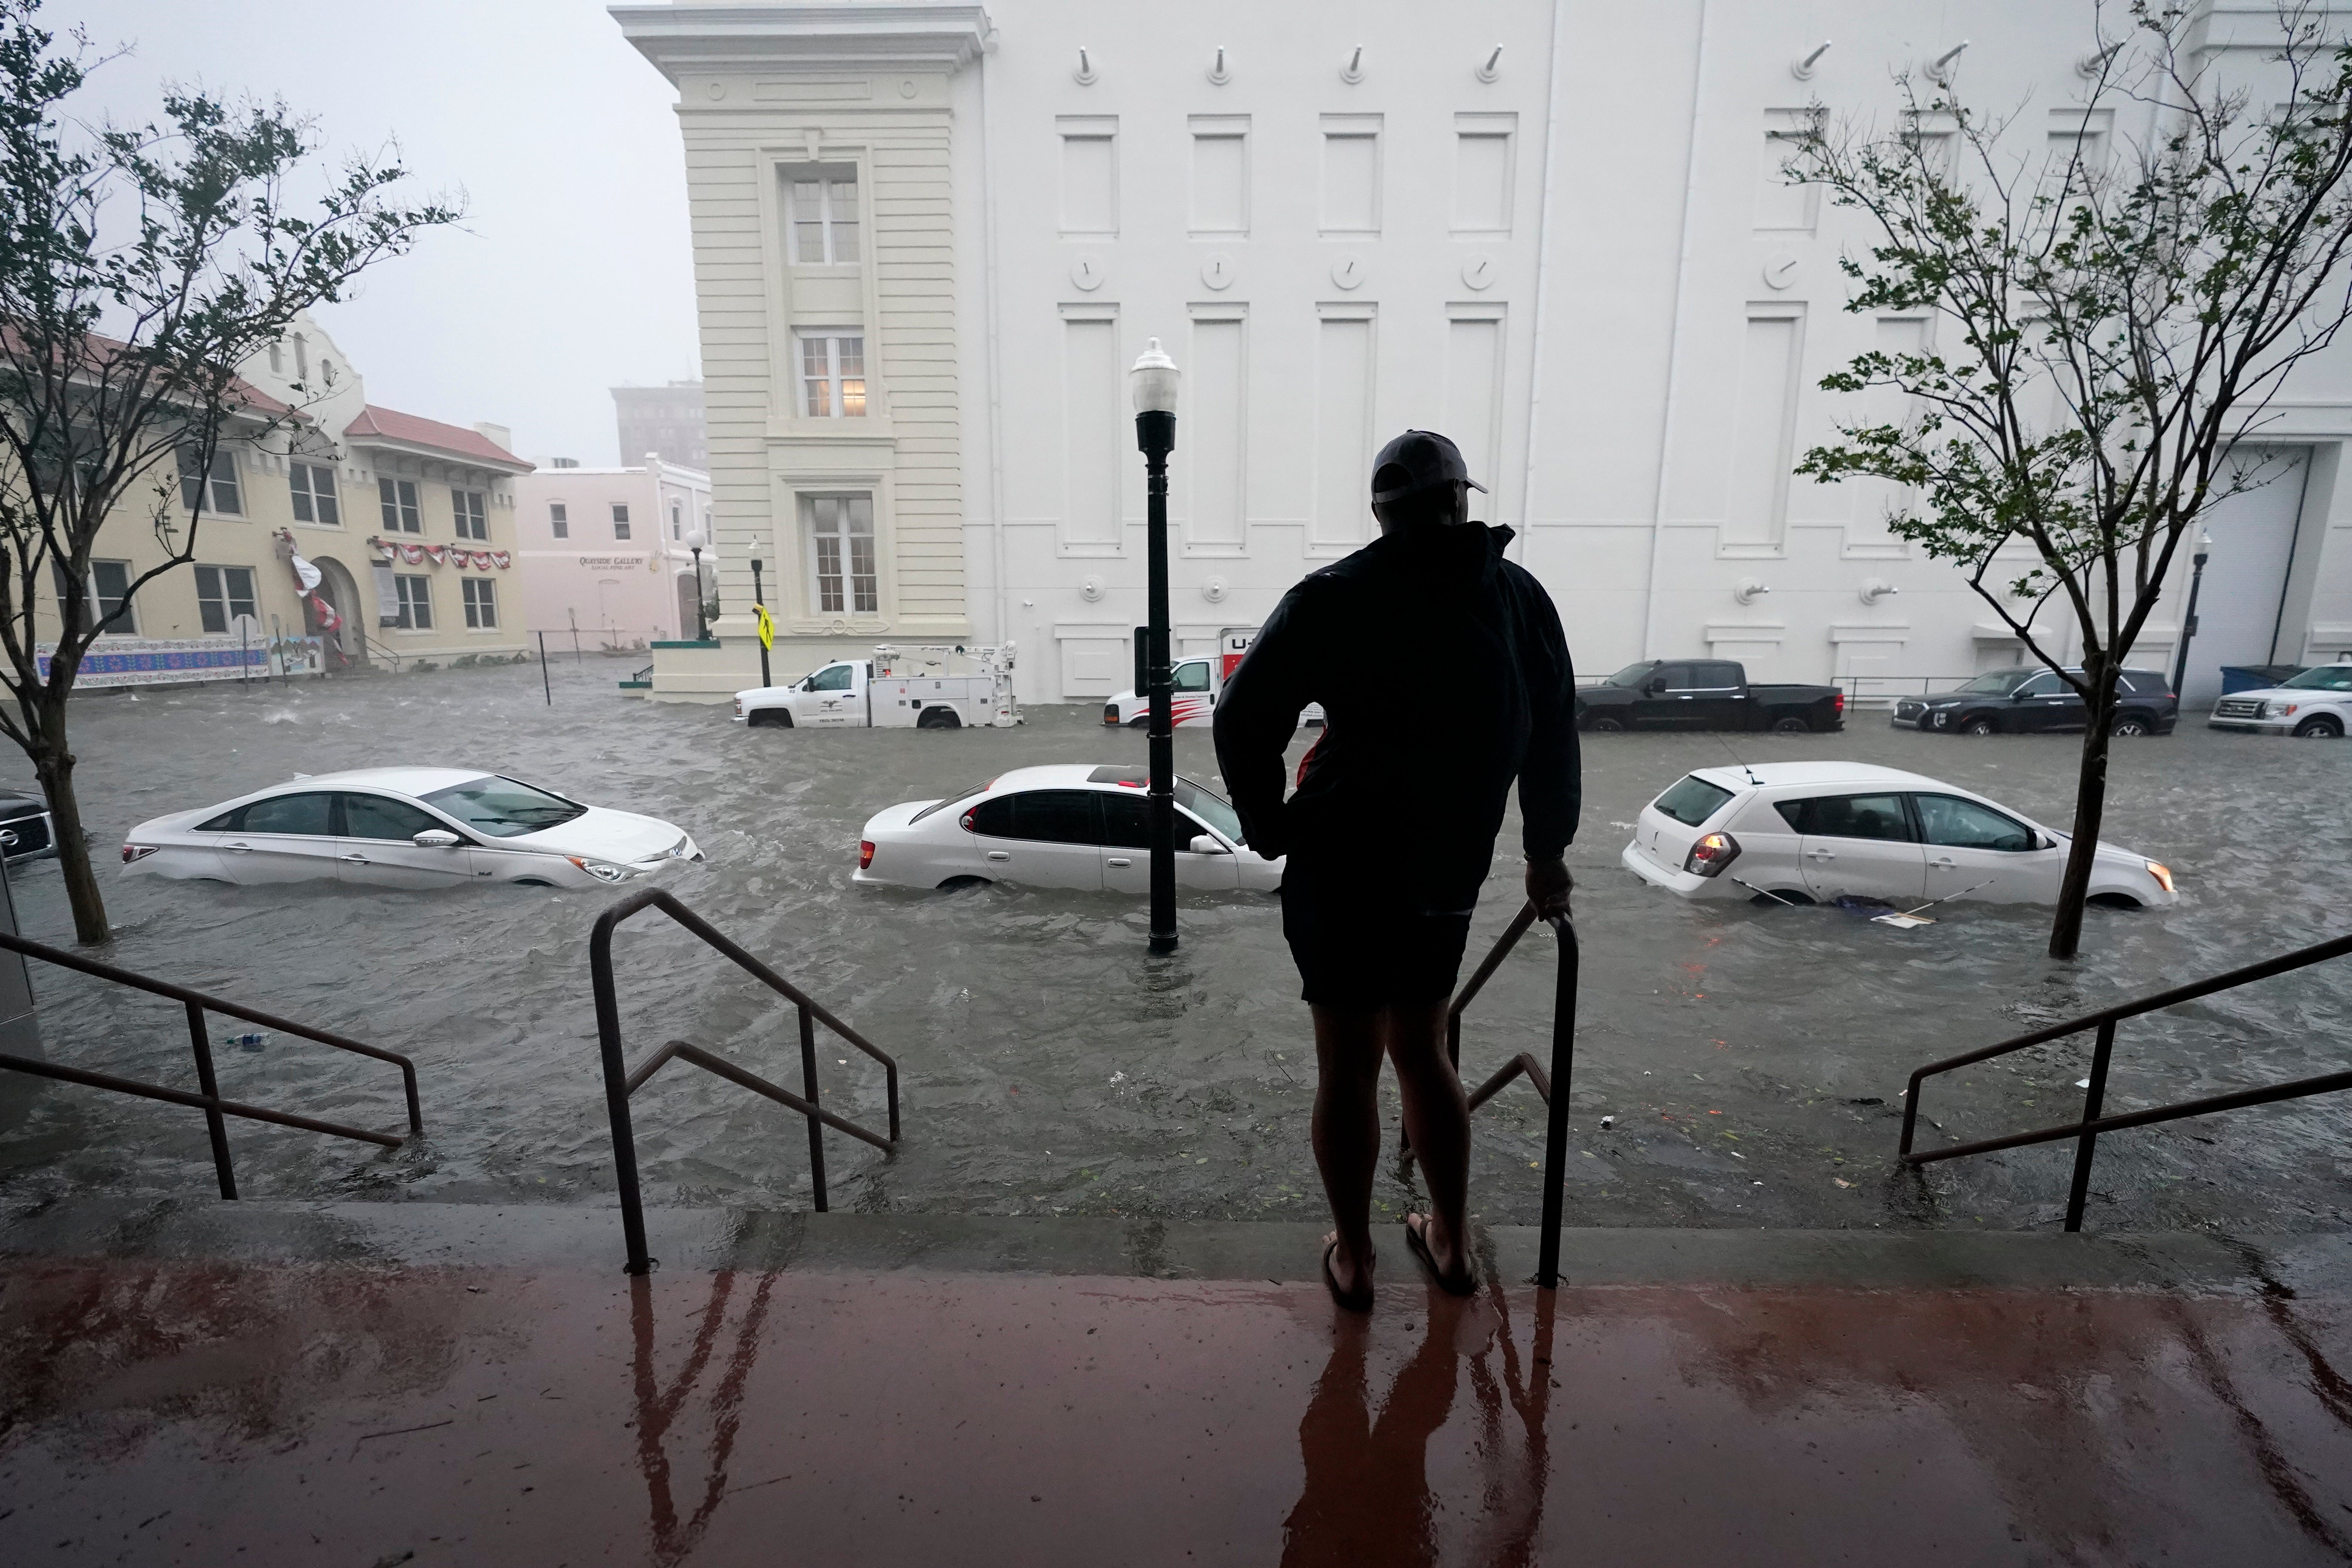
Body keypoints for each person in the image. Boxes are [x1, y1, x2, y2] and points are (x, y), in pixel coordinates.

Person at [1213, 430, 1579, 1310]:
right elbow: (1551, 732)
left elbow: (1240, 718)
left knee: (1346, 1065)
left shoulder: (1333, 597)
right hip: (1446, 871)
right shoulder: (1518, 599)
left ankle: (1355, 1259)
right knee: (1422, 1049)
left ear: (1379, 512)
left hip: (1338, 863)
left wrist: (1265, 826)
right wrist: (1544, 854)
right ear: (1462, 502)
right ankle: (1450, 1246)